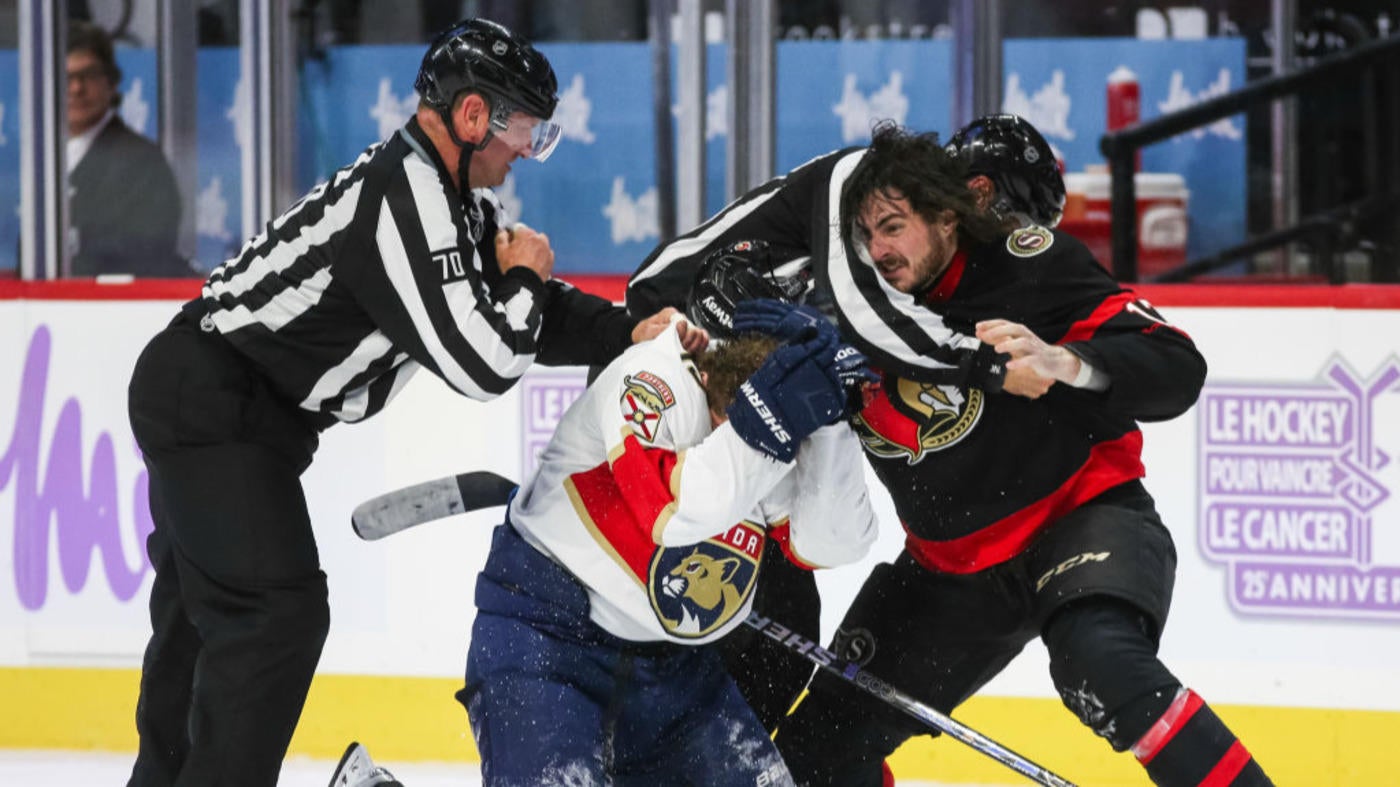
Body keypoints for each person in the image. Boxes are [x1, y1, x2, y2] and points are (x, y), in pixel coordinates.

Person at [124, 18, 695, 787]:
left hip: (229, 406)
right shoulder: (405, 194)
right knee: (272, 614)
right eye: (521, 125)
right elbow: (485, 361)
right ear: (470, 116)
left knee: (203, 620)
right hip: (211, 399)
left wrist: (631, 333)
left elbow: (527, 314)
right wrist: (525, 274)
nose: (525, 147)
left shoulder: (446, 198)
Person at [628, 118, 1273, 786]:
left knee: (1102, 663)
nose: (877, 250)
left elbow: (1177, 366)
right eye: (865, 233)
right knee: (814, 755)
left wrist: (1068, 362)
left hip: (1083, 517)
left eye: (895, 227)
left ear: (946, 215)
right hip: (948, 572)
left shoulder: (1026, 261)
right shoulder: (831, 302)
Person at [458, 241, 880, 786]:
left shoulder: (773, 430)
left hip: (676, 675)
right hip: (550, 647)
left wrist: (828, 425)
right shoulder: (654, 375)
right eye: (784, 351)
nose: (794, 368)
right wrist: (770, 416)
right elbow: (671, 510)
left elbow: (831, 544)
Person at [66, 21, 190, 277]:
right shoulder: (40, 158)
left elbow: (149, 252)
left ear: (111, 83)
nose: (76, 88)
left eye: (88, 75)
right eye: (66, 77)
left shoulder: (141, 161)